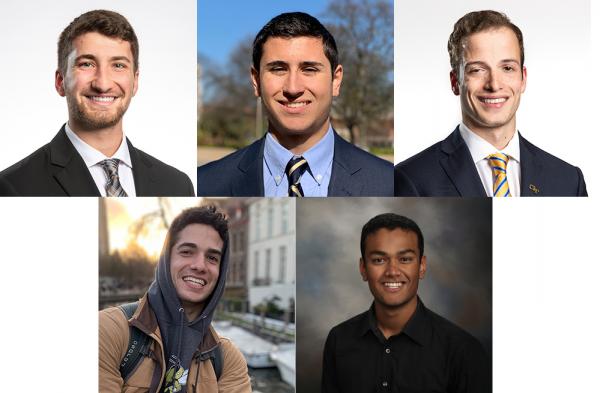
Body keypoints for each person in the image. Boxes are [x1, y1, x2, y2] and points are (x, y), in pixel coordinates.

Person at [197, 12, 393, 197]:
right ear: (256, 81)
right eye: (278, 69)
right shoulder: (205, 183)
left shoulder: (389, 182)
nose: (293, 88)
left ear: (336, 81)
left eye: (309, 69)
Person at [0, 10, 194, 196]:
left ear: (135, 82)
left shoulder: (177, 185)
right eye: (86, 64)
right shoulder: (13, 187)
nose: (103, 84)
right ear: (60, 82)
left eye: (118, 65)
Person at [394, 10, 587, 197]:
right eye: (477, 70)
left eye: (507, 68)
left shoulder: (569, 181)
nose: (494, 84)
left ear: (523, 78)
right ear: (455, 82)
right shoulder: (410, 179)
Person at [322, 213, 491, 393]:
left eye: (405, 259)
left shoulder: (463, 351)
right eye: (379, 260)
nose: (392, 271)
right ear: (363, 269)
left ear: (422, 266)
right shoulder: (339, 340)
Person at [99, 206, 251, 392]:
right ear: (166, 258)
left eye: (212, 258)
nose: (199, 266)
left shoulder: (228, 360)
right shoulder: (109, 330)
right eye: (187, 251)